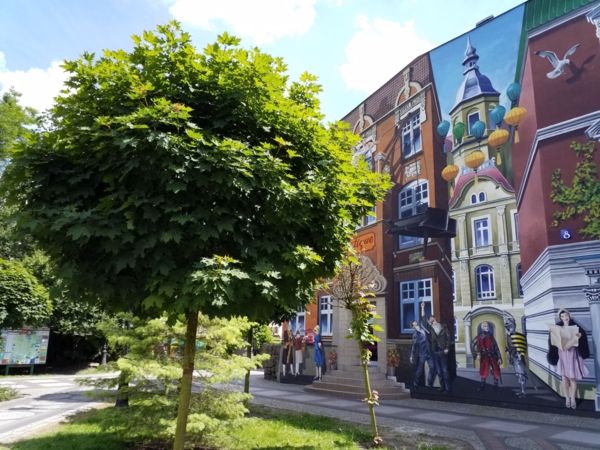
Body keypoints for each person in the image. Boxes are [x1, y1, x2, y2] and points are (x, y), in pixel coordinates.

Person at [547, 308, 590, 409]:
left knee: (573, 378)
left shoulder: (575, 327)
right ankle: (567, 398)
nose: (565, 317)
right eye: (562, 316)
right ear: (560, 318)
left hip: (572, 354)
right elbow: (554, 340)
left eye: (566, 315)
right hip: (562, 353)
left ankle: (573, 398)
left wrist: (579, 335)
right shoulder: (558, 327)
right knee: (564, 377)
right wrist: (551, 333)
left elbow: (581, 336)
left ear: (569, 316)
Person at [420, 302, 452, 394]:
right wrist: (423, 308)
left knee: (445, 370)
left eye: (431, 318)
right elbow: (423, 320)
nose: (430, 319)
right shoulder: (430, 328)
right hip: (435, 351)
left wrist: (447, 348)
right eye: (429, 319)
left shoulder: (443, 326)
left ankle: (448, 389)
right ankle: (442, 387)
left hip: (443, 350)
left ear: (435, 318)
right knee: (439, 371)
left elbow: (448, 338)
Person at [471, 321, 502, 392]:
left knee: (495, 370)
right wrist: (475, 355)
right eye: (485, 326)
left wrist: (499, 357)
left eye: (487, 326)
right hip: (484, 356)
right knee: (483, 371)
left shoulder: (491, 336)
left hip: (492, 355)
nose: (487, 327)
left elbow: (496, 347)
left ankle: (496, 386)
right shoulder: (479, 336)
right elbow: (472, 344)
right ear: (482, 327)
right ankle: (482, 385)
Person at [504, 317, 530, 398]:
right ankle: (521, 390)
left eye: (509, 325)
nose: (509, 327)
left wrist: (520, 355)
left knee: (521, 375)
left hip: (518, 357)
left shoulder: (517, 335)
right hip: (513, 357)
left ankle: (523, 392)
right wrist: (509, 354)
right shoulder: (508, 335)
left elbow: (520, 347)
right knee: (518, 375)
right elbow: (509, 347)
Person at [409, 320, 436, 392]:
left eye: (416, 322)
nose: (416, 322)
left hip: (429, 352)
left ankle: (429, 385)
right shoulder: (415, 334)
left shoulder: (423, 329)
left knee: (432, 367)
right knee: (419, 370)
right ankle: (415, 384)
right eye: (414, 322)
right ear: (413, 326)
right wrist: (412, 355)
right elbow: (414, 346)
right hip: (422, 354)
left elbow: (429, 338)